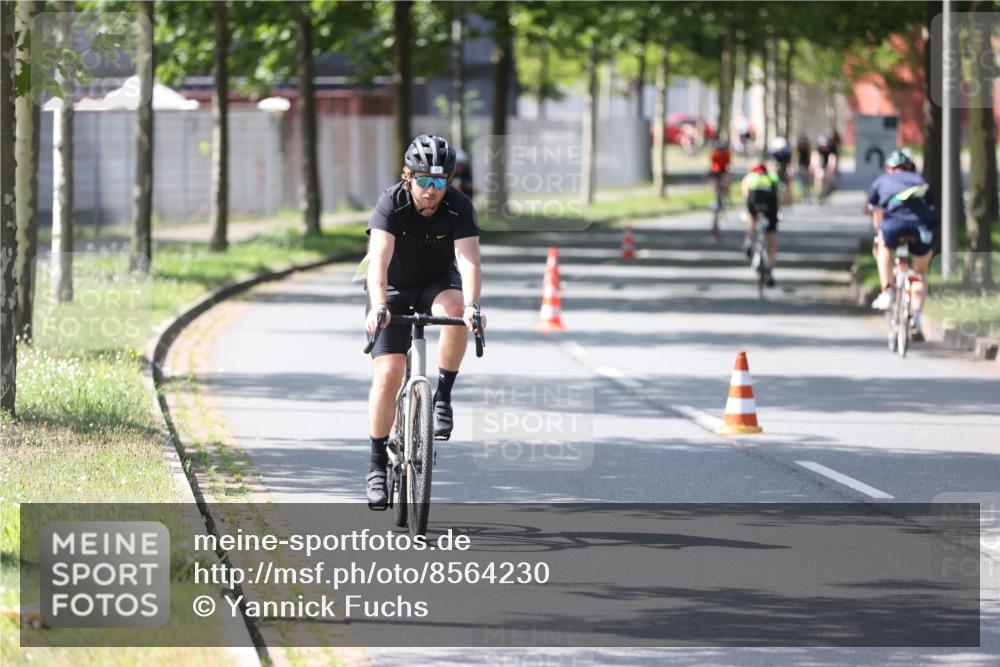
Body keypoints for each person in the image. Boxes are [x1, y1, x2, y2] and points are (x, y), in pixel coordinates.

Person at [363, 134, 487, 508]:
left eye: (440, 182)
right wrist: (378, 305)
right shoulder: (391, 203)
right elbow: (379, 260)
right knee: (388, 373)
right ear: (407, 176)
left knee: (455, 309)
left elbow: (467, 260)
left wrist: (473, 307)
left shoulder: (458, 206)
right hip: (394, 286)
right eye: (423, 181)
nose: (431, 191)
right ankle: (376, 466)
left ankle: (443, 397)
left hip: (437, 283)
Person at [867, 149, 935, 341]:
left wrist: (879, 230)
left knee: (883, 244)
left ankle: (887, 289)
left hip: (894, 226)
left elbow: (875, 212)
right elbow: (930, 206)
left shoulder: (881, 181)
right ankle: (917, 319)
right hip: (921, 229)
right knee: (920, 273)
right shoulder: (920, 181)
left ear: (889, 167)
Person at [741, 161, 780, 287]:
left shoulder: (750, 177)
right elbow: (777, 193)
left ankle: (748, 240)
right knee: (771, 235)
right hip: (770, 201)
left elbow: (745, 193)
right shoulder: (771, 176)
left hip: (754, 197)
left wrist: (749, 210)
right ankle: (770, 268)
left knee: (751, 217)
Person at [707, 139, 732, 241]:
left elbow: (727, 166)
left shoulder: (727, 154)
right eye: (719, 149)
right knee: (715, 183)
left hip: (723, 171)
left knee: (728, 178)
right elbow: (713, 167)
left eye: (722, 149)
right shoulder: (714, 154)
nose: (721, 151)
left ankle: (726, 194)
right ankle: (716, 195)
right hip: (715, 171)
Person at [768, 137, 793, 205]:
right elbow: (770, 164)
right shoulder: (772, 152)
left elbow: (789, 164)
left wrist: (788, 172)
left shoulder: (787, 153)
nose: (780, 151)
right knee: (774, 174)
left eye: (781, 149)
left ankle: (788, 199)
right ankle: (775, 197)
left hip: (784, 166)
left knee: (788, 178)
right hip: (776, 166)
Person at [795, 133, 813, 203]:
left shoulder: (808, 148)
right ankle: (804, 195)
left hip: (807, 165)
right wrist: (797, 166)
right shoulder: (798, 148)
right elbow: (796, 157)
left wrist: (810, 166)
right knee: (802, 181)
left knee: (807, 181)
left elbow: (810, 157)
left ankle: (808, 194)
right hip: (801, 165)